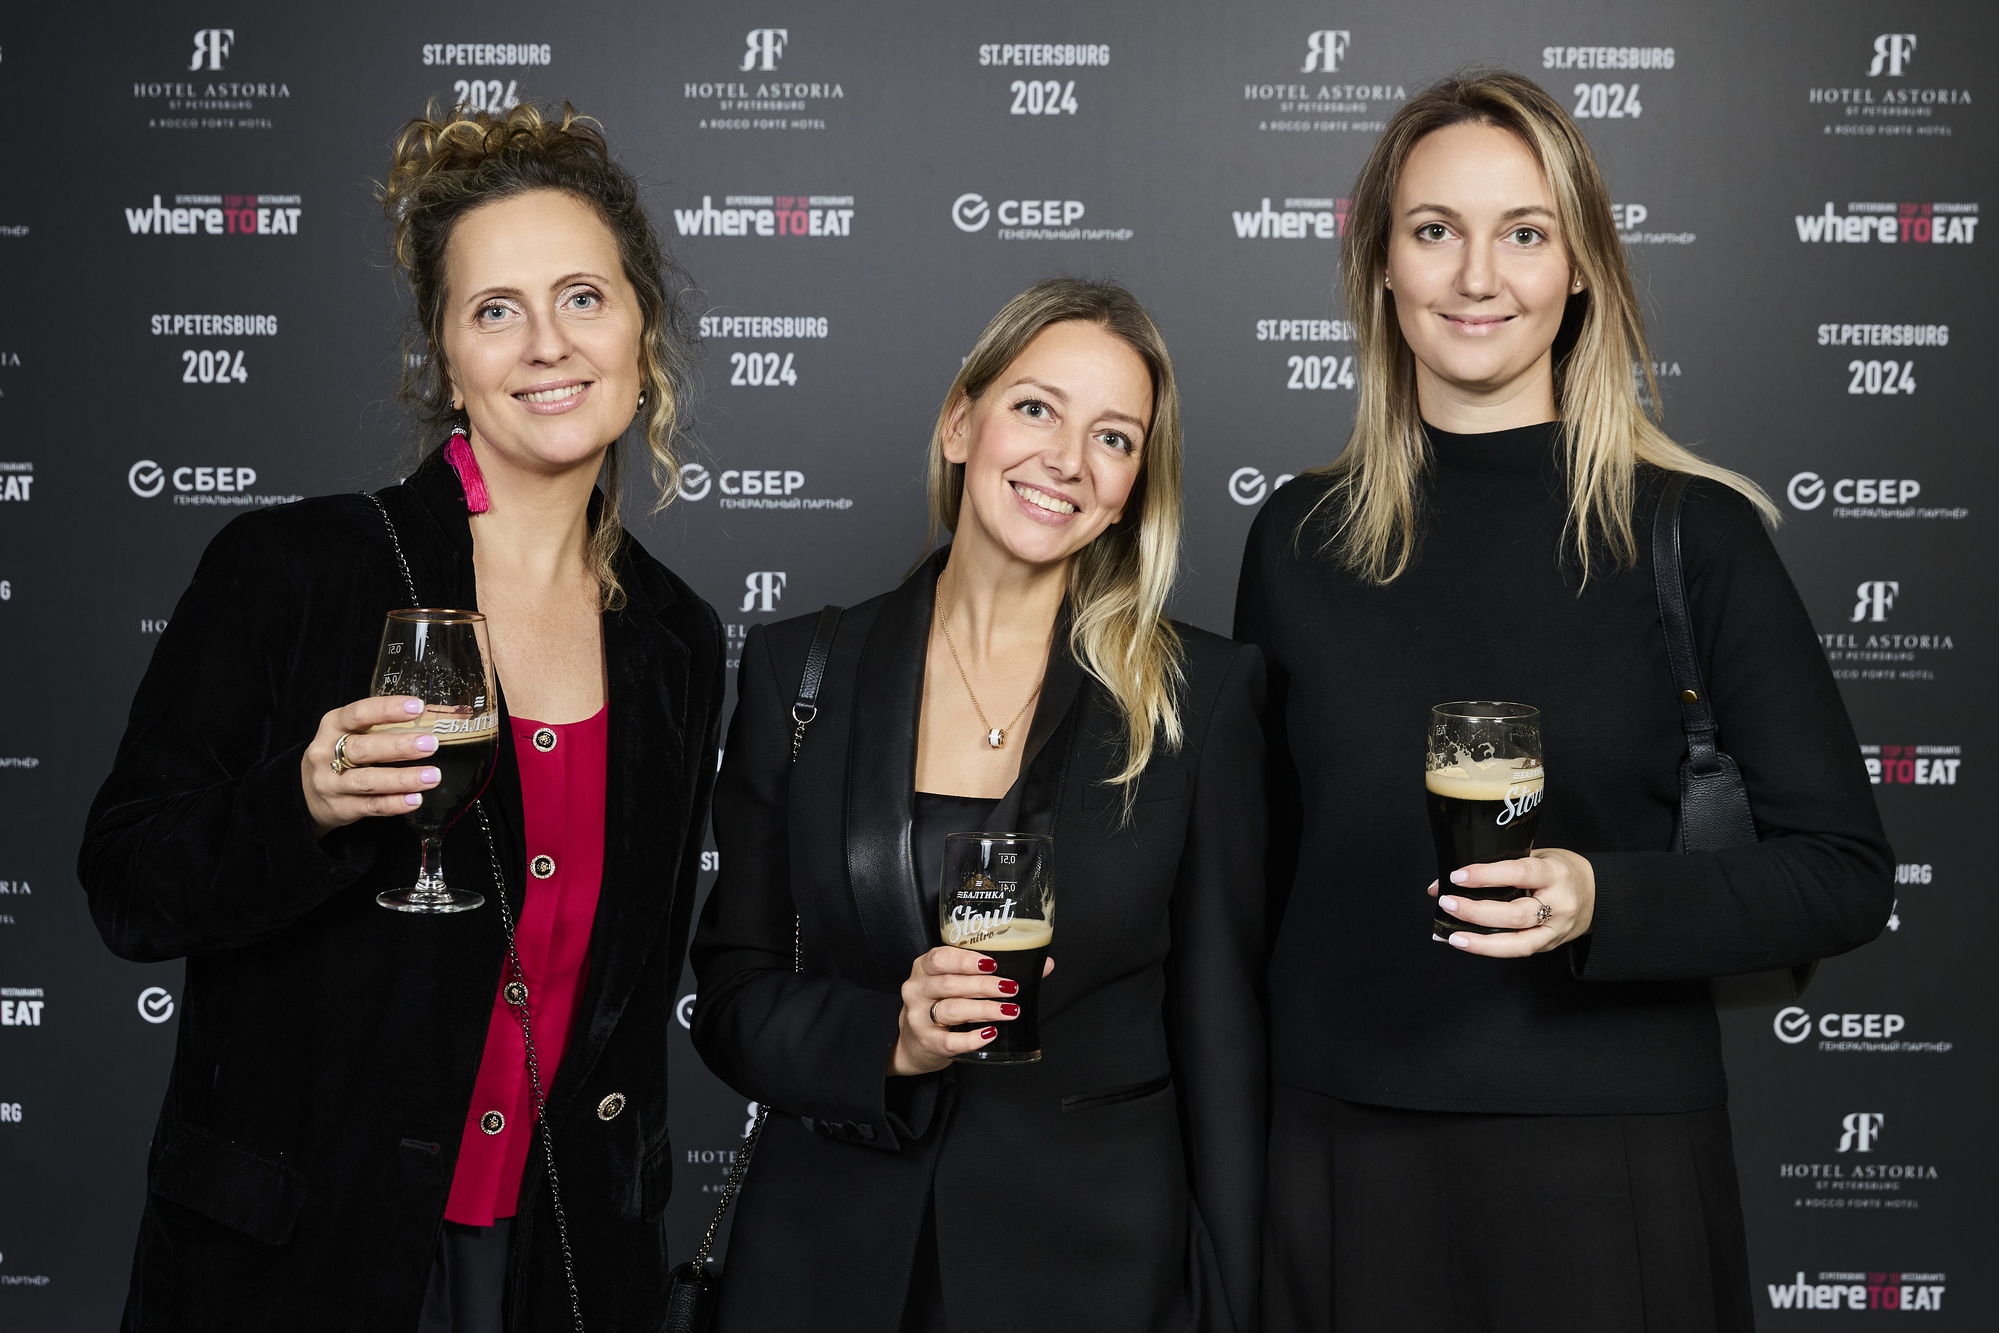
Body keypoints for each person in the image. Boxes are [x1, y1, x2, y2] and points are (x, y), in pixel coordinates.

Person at [1235, 72, 1893, 1333]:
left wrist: (1603, 898)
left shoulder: (1692, 532)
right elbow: (1253, 882)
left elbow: (1844, 874)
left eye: (1524, 232)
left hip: (1610, 1158)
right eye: (1435, 229)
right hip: (1340, 1158)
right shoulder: (1298, 538)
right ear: (1381, 263)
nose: (1477, 275)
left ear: (1580, 266)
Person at [77, 103, 724, 1332]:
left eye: (583, 297)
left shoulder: (674, 637)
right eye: (496, 311)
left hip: (551, 1263)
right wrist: (301, 801)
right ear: (446, 354)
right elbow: (126, 883)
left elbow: (627, 1008)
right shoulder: (300, 568)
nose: (548, 343)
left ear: (642, 327)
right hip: (302, 1262)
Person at [690, 279, 1267, 1332]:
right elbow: (731, 996)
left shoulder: (1203, 695)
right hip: (826, 1262)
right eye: (1036, 408)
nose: (1067, 460)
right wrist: (890, 1038)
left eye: (1114, 438)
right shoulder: (797, 673)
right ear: (961, 424)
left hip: (1094, 1270)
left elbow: (1222, 1032)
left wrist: (1231, 1293)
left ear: (1132, 487)